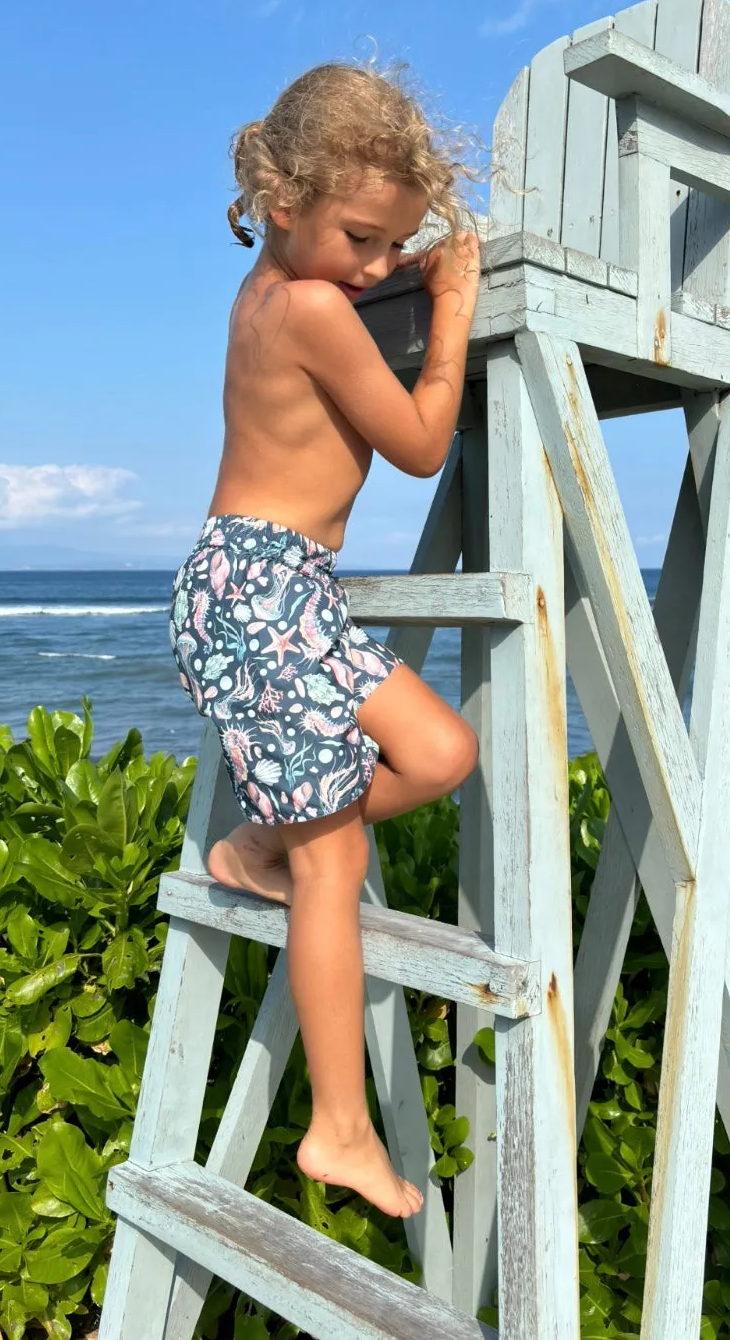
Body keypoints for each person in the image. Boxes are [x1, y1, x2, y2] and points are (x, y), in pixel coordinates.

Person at [168, 62, 482, 1221]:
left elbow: (345, 270)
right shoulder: (305, 306)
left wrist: (384, 260)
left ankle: (256, 848)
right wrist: (447, 307)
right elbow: (415, 441)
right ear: (278, 193)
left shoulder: (275, 287)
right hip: (257, 589)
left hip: (273, 587)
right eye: (360, 237)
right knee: (335, 864)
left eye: (390, 246)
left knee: (440, 754)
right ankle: (339, 1129)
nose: (372, 266)